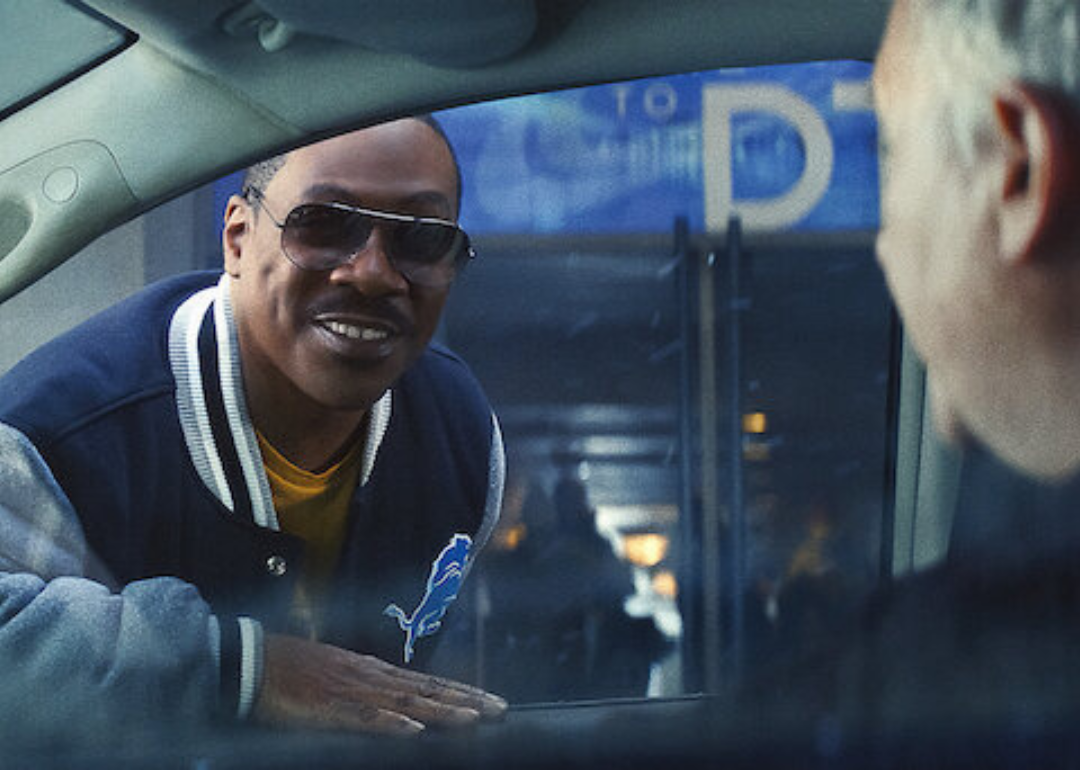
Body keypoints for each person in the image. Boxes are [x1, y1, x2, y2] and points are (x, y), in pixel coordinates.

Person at [0, 116, 507, 744]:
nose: (374, 273)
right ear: (237, 237)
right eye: (324, 223)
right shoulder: (60, 432)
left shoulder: (460, 434)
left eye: (422, 239)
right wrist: (239, 668)